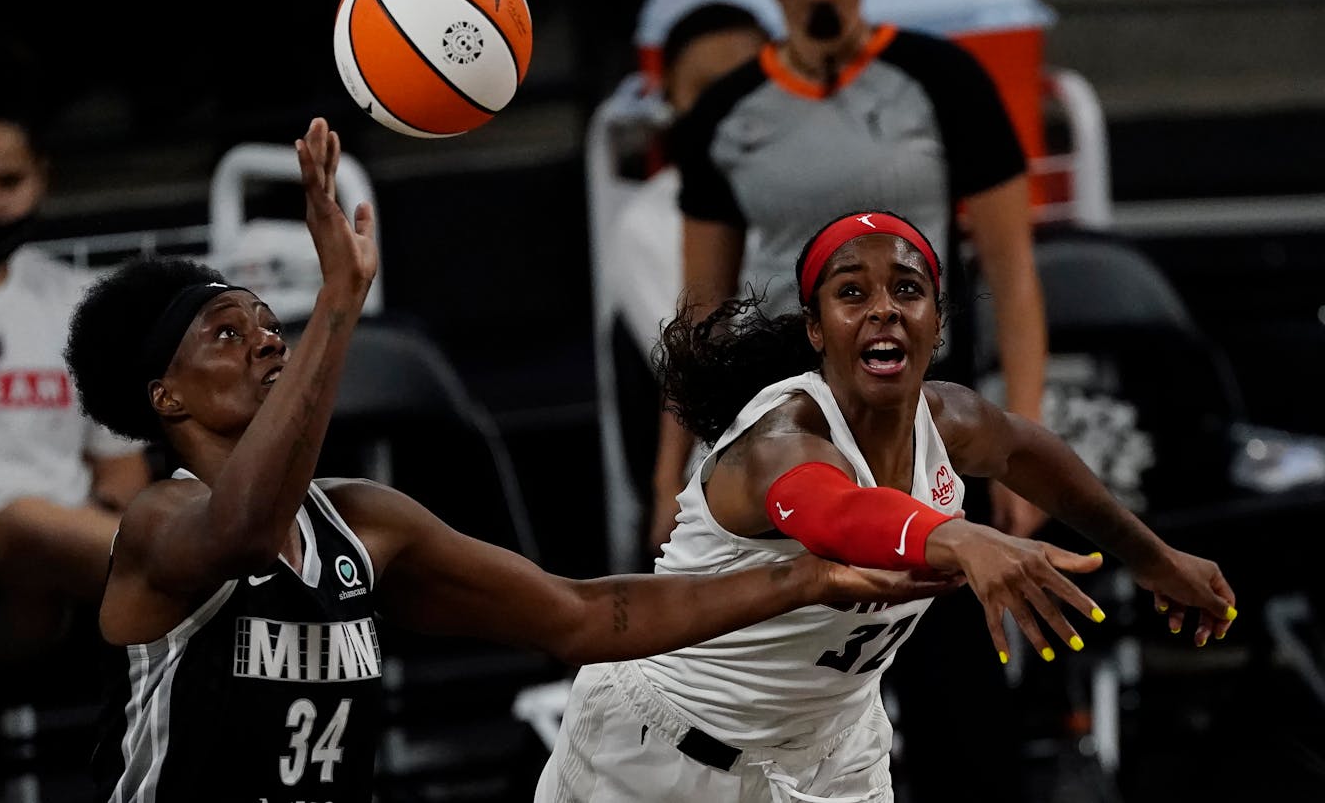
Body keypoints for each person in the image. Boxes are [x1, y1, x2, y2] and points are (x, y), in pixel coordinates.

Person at [66, 118, 963, 802]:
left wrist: (800, 581)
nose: (267, 340)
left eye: (270, 321)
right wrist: (340, 302)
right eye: (228, 333)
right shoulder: (158, 526)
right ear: (165, 398)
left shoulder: (366, 523)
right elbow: (250, 530)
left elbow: (580, 615)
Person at [535, 209, 1237, 802]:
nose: (883, 308)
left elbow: (1036, 456)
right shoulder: (782, 437)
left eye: (908, 288)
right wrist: (962, 537)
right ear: (816, 328)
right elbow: (832, 514)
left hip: (831, 754)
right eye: (851, 292)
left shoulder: (952, 419)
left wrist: (1154, 558)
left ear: (936, 323)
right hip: (659, 754)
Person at [650, 0, 1048, 553]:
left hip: (920, 411)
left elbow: (1014, 279)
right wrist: (665, 483)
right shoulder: (724, 112)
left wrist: (1020, 453)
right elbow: (702, 312)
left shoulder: (945, 80)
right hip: (779, 422)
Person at [0, 73, 150, 656]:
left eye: (9, 182)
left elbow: (121, 470)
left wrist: (73, 528)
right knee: (31, 526)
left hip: (76, 564)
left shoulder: (81, 299)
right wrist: (16, 532)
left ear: (42, 177)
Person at [599, 1, 771, 563]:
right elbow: (708, 355)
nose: (729, 108)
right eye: (706, 90)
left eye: (746, 84)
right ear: (670, 100)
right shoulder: (649, 221)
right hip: (730, 480)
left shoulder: (810, 189)